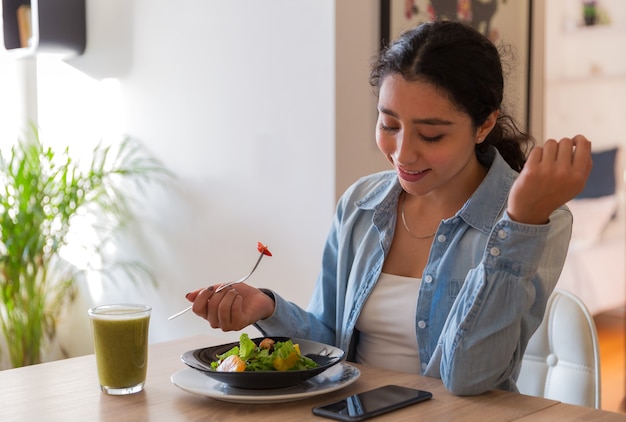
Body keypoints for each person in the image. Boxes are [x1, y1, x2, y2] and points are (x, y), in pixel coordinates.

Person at [185, 20, 592, 396]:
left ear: (484, 125)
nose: (403, 154)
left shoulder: (539, 220)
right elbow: (330, 344)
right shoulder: (361, 204)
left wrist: (519, 224)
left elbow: (470, 377)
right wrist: (270, 309)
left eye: (431, 135)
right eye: (389, 125)